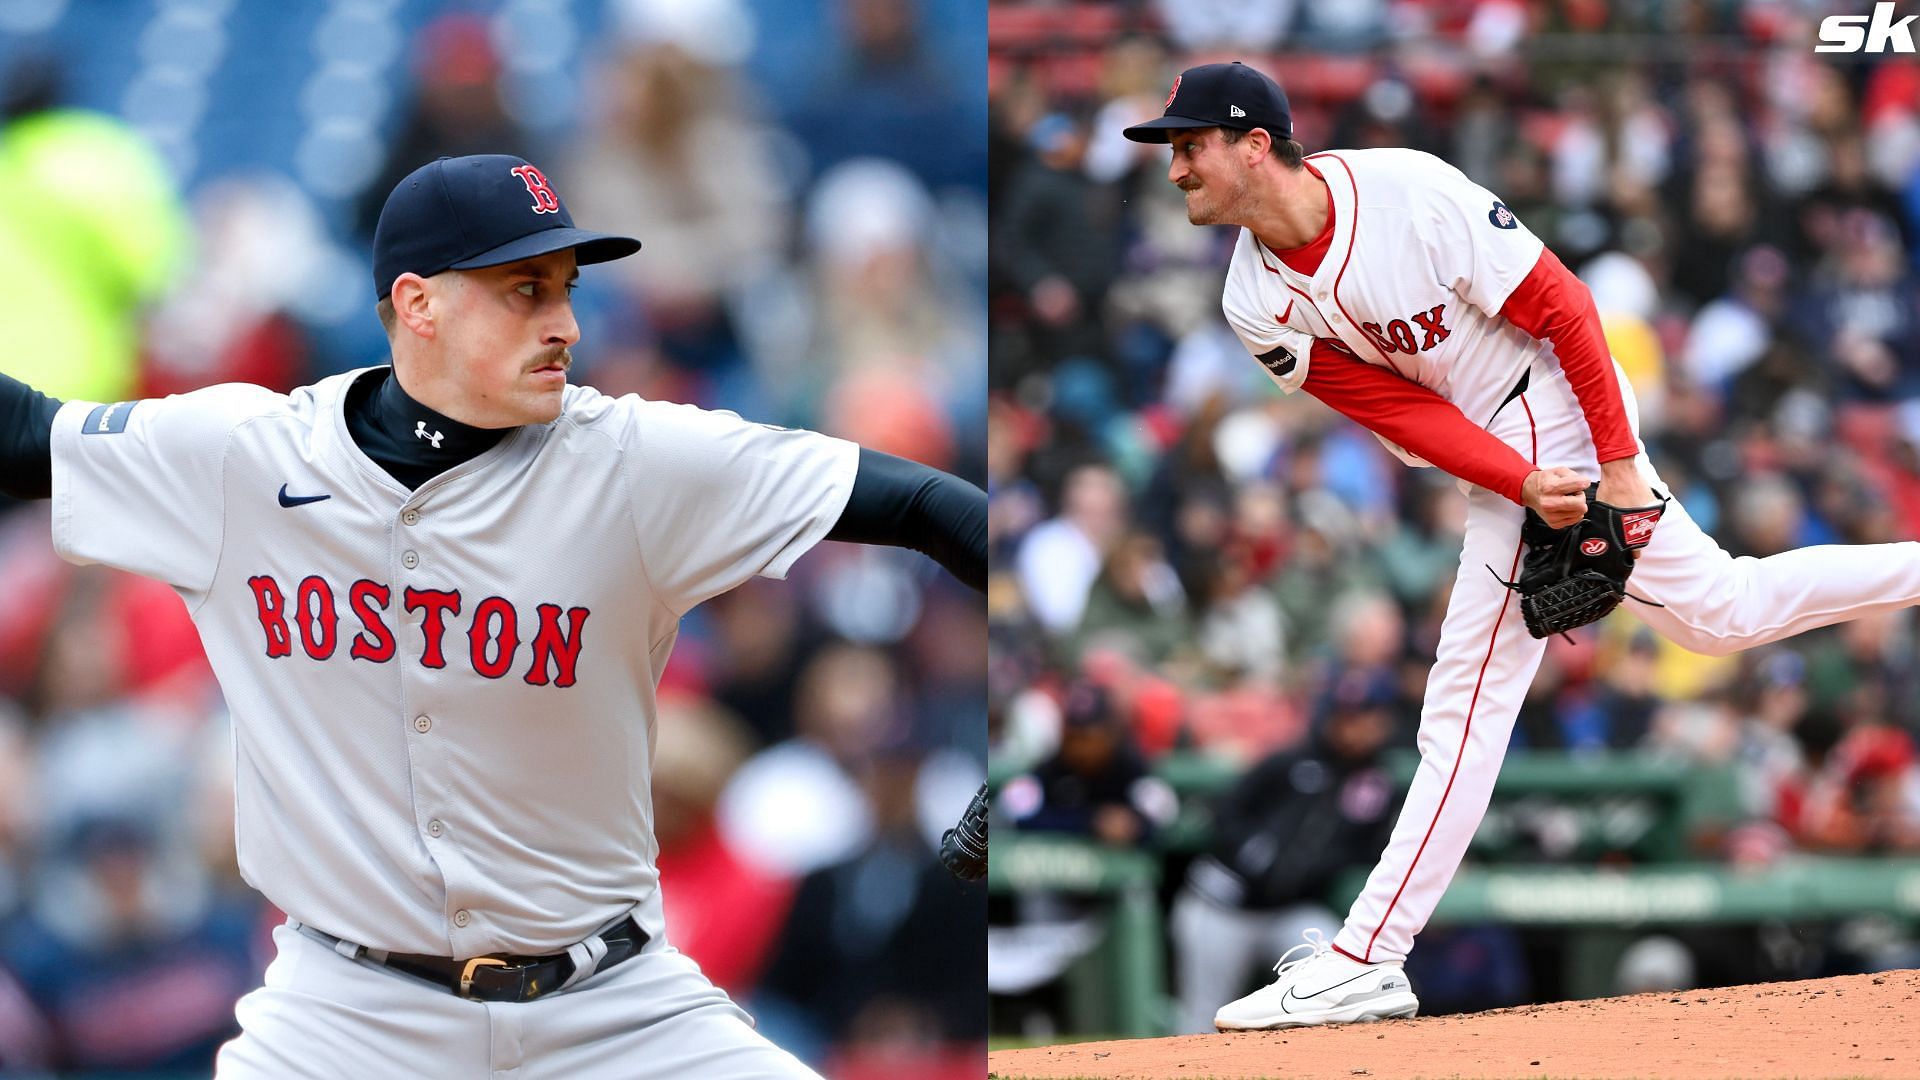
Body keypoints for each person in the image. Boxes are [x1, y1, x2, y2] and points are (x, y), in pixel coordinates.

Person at [0, 154, 984, 1078]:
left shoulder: (639, 460)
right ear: (417, 305)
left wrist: (1013, 718)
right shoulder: (241, 458)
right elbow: (25, 434)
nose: (565, 323)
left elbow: (931, 507)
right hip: (345, 1017)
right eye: (526, 291)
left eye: (564, 289)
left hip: (616, 1007)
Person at [1122, 61, 1920, 1030]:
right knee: (1720, 615)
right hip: (1500, 446)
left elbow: (1566, 308)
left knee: (1464, 702)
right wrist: (1516, 483)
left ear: (1257, 144)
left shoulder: (1410, 194)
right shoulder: (1253, 299)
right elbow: (1398, 409)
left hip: (1559, 395)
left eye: (1190, 146)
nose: (1175, 170)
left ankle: (1368, 952)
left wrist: (1616, 463)